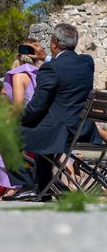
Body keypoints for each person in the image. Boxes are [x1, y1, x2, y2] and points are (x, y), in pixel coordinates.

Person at [6, 23, 101, 201]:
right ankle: (44, 189)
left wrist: (17, 120)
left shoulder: (50, 69)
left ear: (55, 42)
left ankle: (28, 186)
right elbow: (67, 66)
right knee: (44, 131)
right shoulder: (88, 62)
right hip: (84, 130)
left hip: (59, 132)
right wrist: (48, 57)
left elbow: (37, 107)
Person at [0, 40, 42, 199]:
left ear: (18, 55)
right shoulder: (40, 74)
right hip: (37, 125)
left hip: (25, 125)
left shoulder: (19, 75)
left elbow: (18, 106)